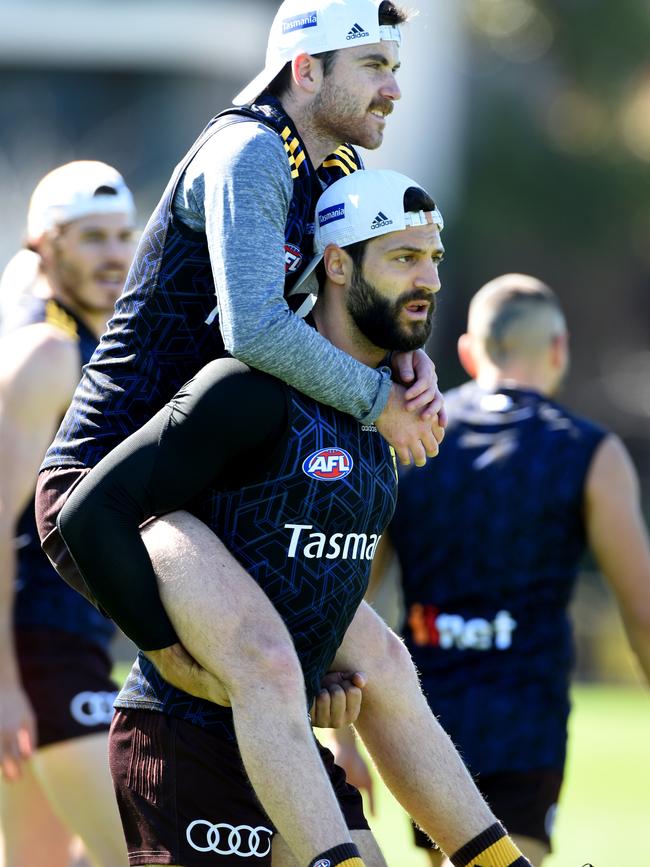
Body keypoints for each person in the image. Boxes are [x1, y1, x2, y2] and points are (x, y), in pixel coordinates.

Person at [36, 0, 446, 863]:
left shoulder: (329, 171)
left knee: (373, 671)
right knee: (262, 668)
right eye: (374, 66)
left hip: (207, 487)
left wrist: (414, 363)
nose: (395, 88)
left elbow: (352, 305)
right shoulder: (252, 150)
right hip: (113, 490)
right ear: (308, 69)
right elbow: (255, 330)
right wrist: (380, 401)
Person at [57, 169, 532, 867]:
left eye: (433, 257)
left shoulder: (383, 413)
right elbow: (89, 512)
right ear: (337, 263)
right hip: (184, 740)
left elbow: (316, 597)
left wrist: (313, 668)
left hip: (287, 751)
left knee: (389, 660)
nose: (426, 278)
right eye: (402, 258)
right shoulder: (245, 391)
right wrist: (167, 651)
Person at [356, 273, 650, 866]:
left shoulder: (414, 440)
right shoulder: (589, 452)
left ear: (468, 351)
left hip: (427, 726)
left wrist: (341, 736)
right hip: (527, 725)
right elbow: (643, 610)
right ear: (559, 348)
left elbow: (348, 601)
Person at [0, 160, 138, 866]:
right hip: (40, 650)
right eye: (91, 237)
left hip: (71, 643)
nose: (114, 253)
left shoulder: (100, 350)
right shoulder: (47, 353)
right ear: (44, 246)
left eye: (122, 235)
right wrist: (3, 683)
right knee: (149, 853)